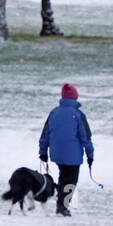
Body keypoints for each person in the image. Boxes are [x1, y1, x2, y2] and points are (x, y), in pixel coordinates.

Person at [38, 83, 95, 217]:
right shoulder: (78, 114)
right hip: (73, 156)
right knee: (71, 181)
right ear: (75, 97)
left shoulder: (54, 113)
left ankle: (61, 205)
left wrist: (43, 153)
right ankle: (62, 208)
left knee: (64, 177)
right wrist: (90, 155)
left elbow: (45, 134)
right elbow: (86, 137)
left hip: (57, 153)